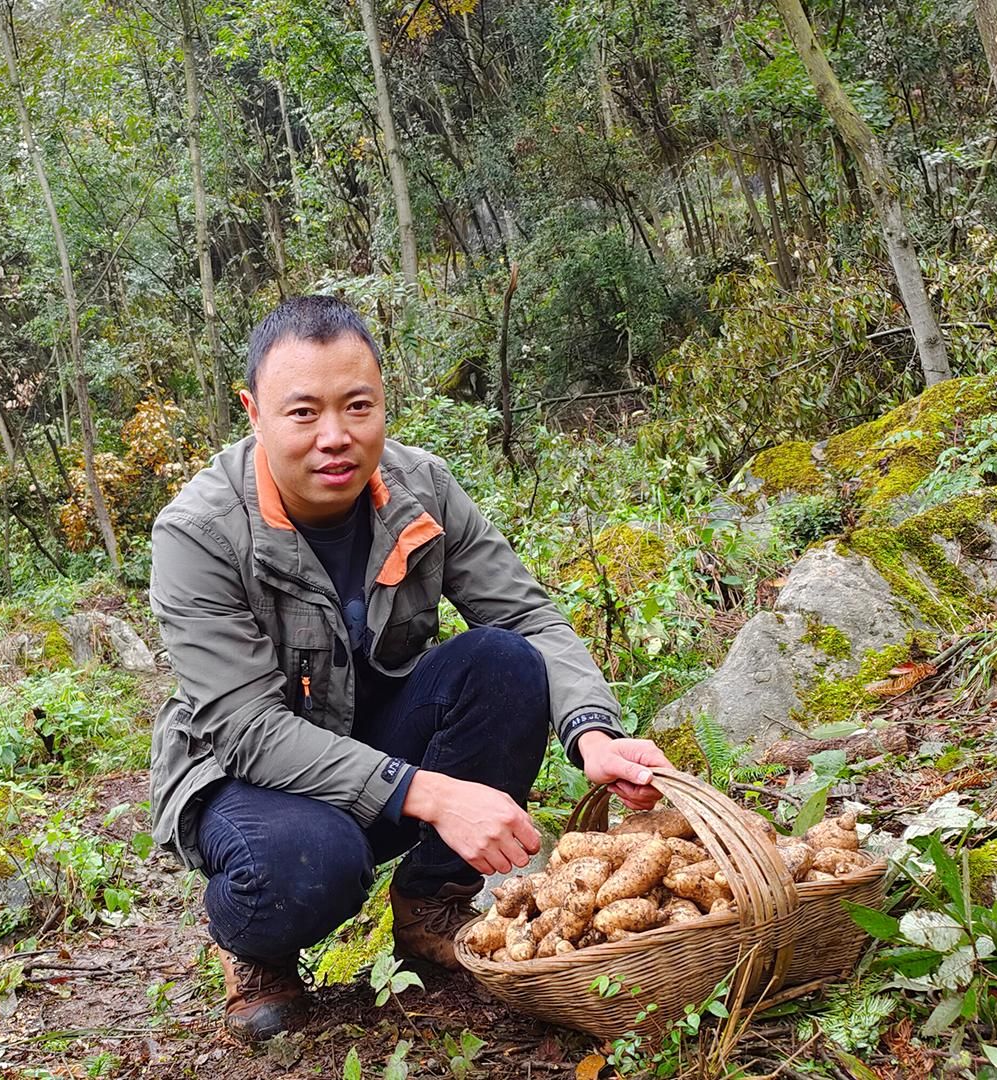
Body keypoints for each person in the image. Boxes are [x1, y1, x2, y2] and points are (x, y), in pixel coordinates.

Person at [147, 295, 674, 1043]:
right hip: (246, 777)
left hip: (370, 729)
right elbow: (246, 728)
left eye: (358, 406)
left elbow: (524, 615)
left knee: (503, 660)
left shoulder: (420, 486)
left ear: (383, 400)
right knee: (312, 859)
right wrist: (428, 794)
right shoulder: (197, 533)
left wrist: (593, 733)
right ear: (253, 412)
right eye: (303, 413)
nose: (335, 437)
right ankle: (256, 949)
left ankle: (430, 903)